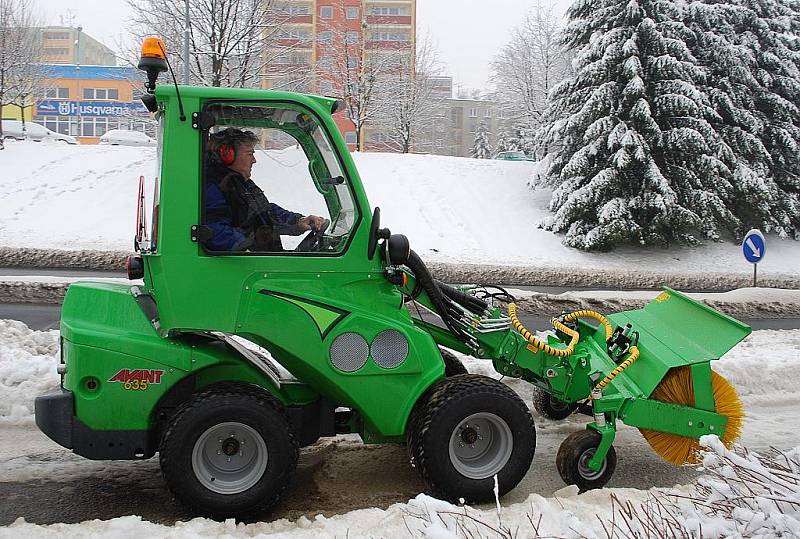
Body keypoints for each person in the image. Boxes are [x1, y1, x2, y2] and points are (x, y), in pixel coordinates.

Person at [204, 127, 326, 251]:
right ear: (227, 154)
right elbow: (213, 227)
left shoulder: (241, 183)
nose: (254, 160)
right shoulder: (213, 187)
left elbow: (264, 212)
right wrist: (244, 249)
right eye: (249, 154)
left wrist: (298, 221)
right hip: (245, 266)